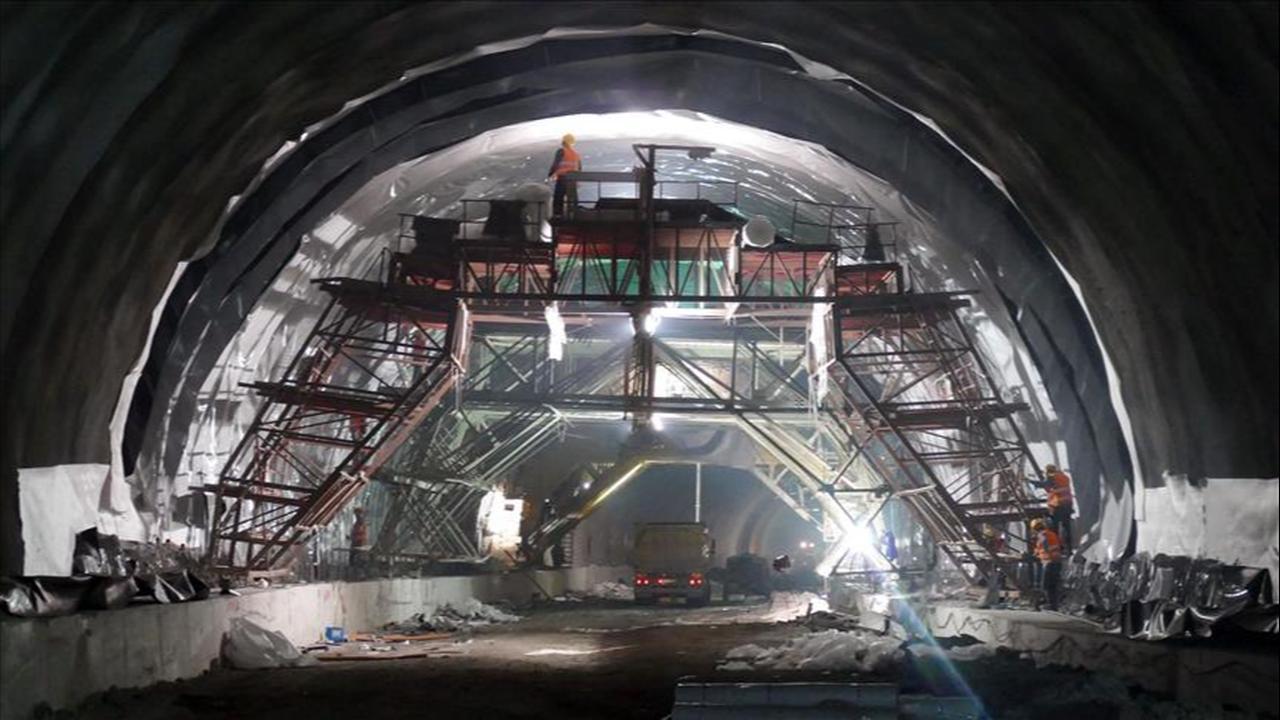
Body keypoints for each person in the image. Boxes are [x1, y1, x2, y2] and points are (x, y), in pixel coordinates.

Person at [1034, 463, 1075, 553]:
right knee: (1066, 527)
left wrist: (1031, 482)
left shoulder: (1052, 477)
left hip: (1057, 506)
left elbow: (1045, 484)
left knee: (1054, 529)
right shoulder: (1064, 477)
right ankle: (1069, 549)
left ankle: (1059, 548)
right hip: (1067, 504)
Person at [1030, 518, 1064, 610]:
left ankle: (1048, 604)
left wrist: (1045, 550)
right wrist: (1037, 552)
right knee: (1053, 586)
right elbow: (1060, 545)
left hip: (1049, 562)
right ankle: (1054, 606)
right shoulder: (1052, 534)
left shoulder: (1042, 534)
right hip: (1057, 561)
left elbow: (1045, 543)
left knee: (1045, 586)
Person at [546, 133, 581, 218]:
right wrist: (578, 180)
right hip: (573, 179)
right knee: (572, 199)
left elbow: (556, 164)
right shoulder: (576, 154)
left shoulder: (562, 151)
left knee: (558, 197)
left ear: (563, 142)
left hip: (563, 178)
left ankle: (558, 215)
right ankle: (574, 215)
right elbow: (579, 168)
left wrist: (550, 174)